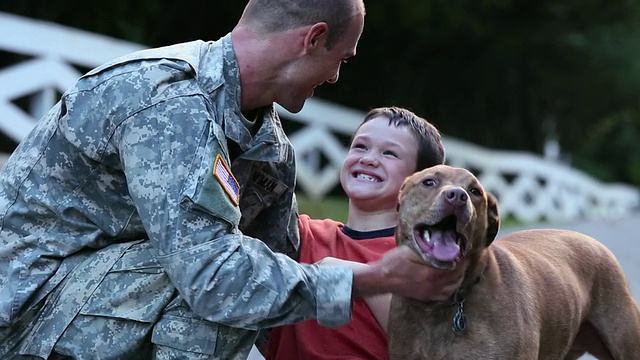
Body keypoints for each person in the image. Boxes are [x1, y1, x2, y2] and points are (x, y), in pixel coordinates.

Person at [0, 1, 462, 359]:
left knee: (251, 277)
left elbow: (283, 274)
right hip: (27, 306)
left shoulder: (270, 151)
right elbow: (214, 278)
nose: (337, 76)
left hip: (101, 302)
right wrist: (370, 278)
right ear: (313, 39)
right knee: (225, 281)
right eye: (340, 59)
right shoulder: (168, 100)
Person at [265, 107, 453, 360]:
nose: (369, 159)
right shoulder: (303, 233)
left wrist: (341, 271)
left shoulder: (421, 258)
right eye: (360, 147)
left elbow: (424, 344)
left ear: (420, 182)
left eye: (390, 153)